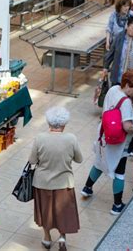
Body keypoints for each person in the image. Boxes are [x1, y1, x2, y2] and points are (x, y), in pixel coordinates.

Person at [81, 70, 133, 215]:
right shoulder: (126, 102)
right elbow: (127, 126)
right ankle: (117, 205)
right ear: (128, 85)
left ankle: (87, 188)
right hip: (119, 143)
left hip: (104, 134)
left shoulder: (113, 89)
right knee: (119, 172)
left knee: (99, 161)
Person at [28, 107, 83, 251]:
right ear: (64, 124)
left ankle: (47, 238)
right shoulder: (71, 138)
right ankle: (62, 237)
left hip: (42, 183)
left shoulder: (40, 138)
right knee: (63, 211)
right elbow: (79, 159)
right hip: (64, 183)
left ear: (48, 123)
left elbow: (32, 161)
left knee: (46, 211)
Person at [104, 17, 133, 85]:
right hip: (118, 76)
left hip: (132, 79)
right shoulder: (119, 37)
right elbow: (111, 53)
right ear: (127, 26)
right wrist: (105, 67)